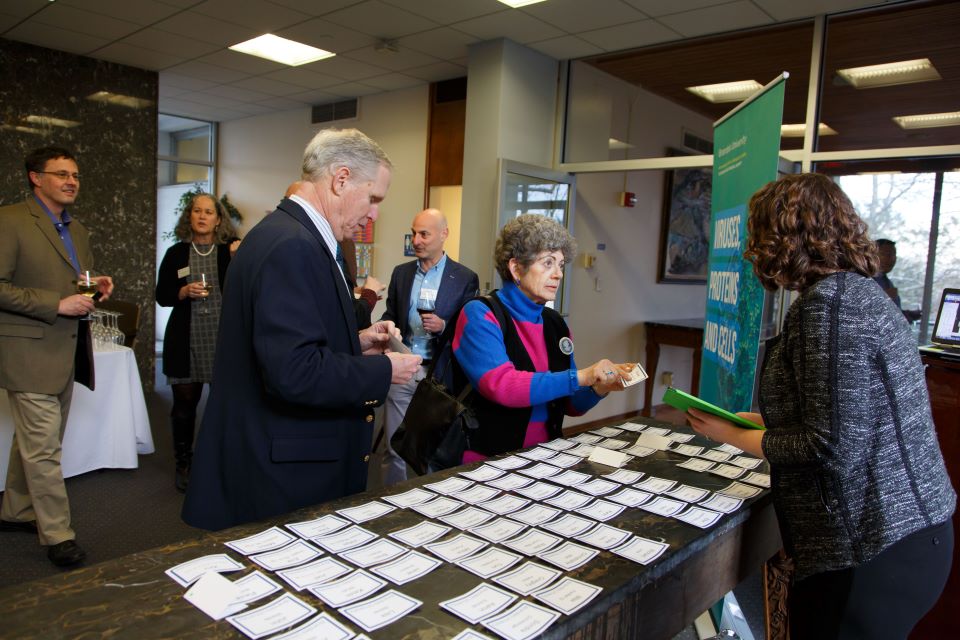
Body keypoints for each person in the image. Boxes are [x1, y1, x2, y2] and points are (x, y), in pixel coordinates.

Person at [685, 173, 955, 639]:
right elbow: (842, 413)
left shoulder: (830, 306)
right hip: (907, 539)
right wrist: (756, 421)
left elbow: (832, 446)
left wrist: (726, 435)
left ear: (782, 237)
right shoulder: (858, 292)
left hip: (869, 551)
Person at [181, 129, 421, 531]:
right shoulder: (293, 245)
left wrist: (355, 342)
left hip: (277, 455)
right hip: (283, 469)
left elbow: (284, 341)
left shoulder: (287, 233)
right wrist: (385, 371)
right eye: (374, 198)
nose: (374, 213)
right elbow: (293, 372)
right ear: (341, 179)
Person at [0, 146, 114, 567]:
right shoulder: (10, 220)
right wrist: (56, 303)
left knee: (32, 443)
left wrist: (92, 286)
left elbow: (72, 282)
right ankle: (58, 535)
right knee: (44, 450)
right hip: (28, 352)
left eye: (76, 175)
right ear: (35, 177)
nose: (72, 181)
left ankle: (14, 510)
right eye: (62, 174)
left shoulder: (77, 229)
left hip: (66, 352)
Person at [451, 214, 632, 462]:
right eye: (548, 263)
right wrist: (582, 376)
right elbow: (502, 386)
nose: (558, 274)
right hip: (487, 458)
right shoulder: (480, 313)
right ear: (516, 268)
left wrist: (600, 387)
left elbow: (570, 404)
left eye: (560, 264)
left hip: (545, 456)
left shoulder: (555, 323)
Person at [378, 208, 479, 485]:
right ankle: (390, 502)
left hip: (439, 377)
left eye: (424, 234)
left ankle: (434, 502)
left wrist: (444, 326)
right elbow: (390, 315)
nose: (416, 240)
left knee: (436, 448)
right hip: (403, 369)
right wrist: (388, 330)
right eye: (414, 233)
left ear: (444, 234)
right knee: (393, 445)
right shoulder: (401, 274)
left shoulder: (464, 278)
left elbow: (470, 328)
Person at [155, 193, 240, 493]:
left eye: (208, 212)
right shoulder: (176, 253)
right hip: (186, 338)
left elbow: (244, 291)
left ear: (219, 220)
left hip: (222, 338)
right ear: (189, 217)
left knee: (223, 405)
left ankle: (219, 461)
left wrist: (239, 254)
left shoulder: (229, 253)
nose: (202, 216)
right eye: (197, 211)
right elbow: (161, 295)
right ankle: (184, 462)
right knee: (184, 405)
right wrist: (181, 292)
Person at [283, 181, 383, 329]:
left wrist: (352, 292)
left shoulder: (344, 242)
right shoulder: (296, 244)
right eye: (370, 200)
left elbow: (328, 297)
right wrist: (370, 294)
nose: (372, 217)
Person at [873, 238, 921, 322]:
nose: (891, 259)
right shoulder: (865, 281)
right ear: (873, 255)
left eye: (893, 255)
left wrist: (908, 315)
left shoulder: (886, 282)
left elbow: (891, 313)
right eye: (886, 254)